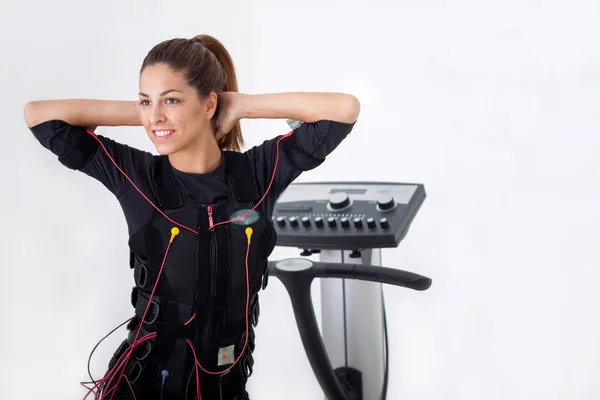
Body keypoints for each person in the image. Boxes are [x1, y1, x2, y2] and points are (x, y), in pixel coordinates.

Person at [23, 34, 360, 400]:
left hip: (226, 391)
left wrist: (240, 105)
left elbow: (343, 111)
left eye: (171, 99)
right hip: (140, 390)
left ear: (210, 103)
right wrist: (155, 116)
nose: (155, 114)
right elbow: (40, 117)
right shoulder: (137, 176)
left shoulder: (258, 174)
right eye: (145, 100)